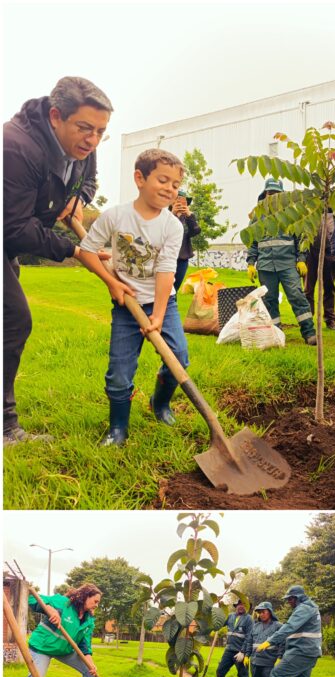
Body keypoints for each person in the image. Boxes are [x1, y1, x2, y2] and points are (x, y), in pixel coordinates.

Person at [4, 76, 115, 446]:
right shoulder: (16, 147)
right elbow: (16, 228)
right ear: (56, 116)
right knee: (13, 320)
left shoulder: (84, 143)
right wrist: (73, 250)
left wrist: (80, 197)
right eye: (85, 128)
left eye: (101, 132)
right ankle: (5, 429)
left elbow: (89, 179)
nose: (93, 140)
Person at [77, 148, 189, 446]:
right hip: (125, 305)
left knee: (178, 356)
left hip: (164, 301)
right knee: (119, 371)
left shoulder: (172, 226)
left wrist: (159, 315)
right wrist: (111, 283)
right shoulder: (116, 216)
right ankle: (117, 429)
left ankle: (159, 403)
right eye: (163, 180)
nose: (169, 188)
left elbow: (167, 270)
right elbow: (87, 251)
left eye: (175, 185)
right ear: (140, 178)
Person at [246, 178, 316, 345]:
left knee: (297, 296)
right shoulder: (257, 216)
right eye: (270, 193)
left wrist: (301, 259)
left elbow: (301, 238)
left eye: (277, 193)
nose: (273, 196)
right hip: (265, 266)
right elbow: (252, 242)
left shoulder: (292, 215)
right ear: (265, 194)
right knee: (269, 301)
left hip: (288, 265)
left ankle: (309, 332)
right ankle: (276, 334)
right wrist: (250, 263)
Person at [257, 584, 322, 677]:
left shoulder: (304, 608)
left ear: (296, 598)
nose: (288, 602)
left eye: (289, 599)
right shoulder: (310, 608)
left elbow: (289, 627)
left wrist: (269, 641)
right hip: (310, 652)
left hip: (301, 651)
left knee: (277, 674)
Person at [304, 209, 335, 331]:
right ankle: (308, 319)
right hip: (310, 252)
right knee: (308, 288)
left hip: (329, 252)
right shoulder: (310, 211)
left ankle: (330, 320)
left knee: (329, 287)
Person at [246, 601, 283, 677]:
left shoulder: (278, 626)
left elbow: (283, 643)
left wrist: (280, 657)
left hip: (269, 662)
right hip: (255, 661)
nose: (261, 614)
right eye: (259, 612)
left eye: (263, 612)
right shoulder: (255, 626)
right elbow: (249, 641)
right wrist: (247, 655)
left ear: (270, 612)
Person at [216, 600, 253, 677]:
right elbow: (219, 623)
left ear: (247, 607)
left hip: (240, 652)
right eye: (239, 604)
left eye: (244, 605)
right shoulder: (230, 616)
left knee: (243, 675)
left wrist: (243, 651)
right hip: (229, 650)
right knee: (220, 670)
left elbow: (249, 637)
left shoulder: (249, 619)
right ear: (236, 606)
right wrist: (219, 612)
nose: (241, 606)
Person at [170, 190, 201, 292]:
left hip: (182, 258)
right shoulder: (166, 216)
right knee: (167, 288)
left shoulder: (188, 218)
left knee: (175, 289)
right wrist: (173, 214)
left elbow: (195, 231)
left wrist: (189, 216)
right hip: (167, 258)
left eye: (183, 201)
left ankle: (169, 306)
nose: (179, 203)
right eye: (176, 200)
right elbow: (163, 232)